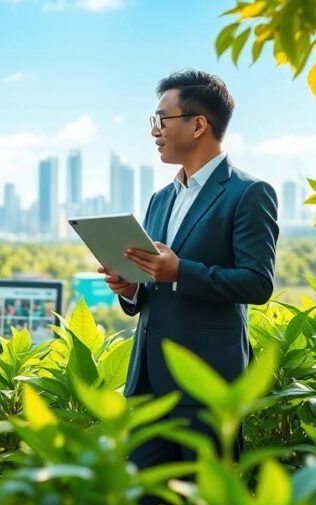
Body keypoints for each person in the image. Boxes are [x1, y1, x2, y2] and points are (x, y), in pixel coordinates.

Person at [100, 69, 279, 479]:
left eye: (162, 119)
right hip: (147, 386)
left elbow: (257, 282)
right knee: (143, 502)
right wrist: (130, 288)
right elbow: (151, 290)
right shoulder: (159, 199)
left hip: (207, 388)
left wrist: (179, 271)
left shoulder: (248, 194)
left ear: (199, 124)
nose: (155, 131)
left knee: (203, 503)